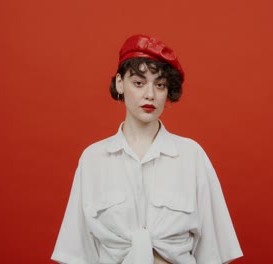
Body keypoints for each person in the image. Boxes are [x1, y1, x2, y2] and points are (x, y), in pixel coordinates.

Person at [51, 34, 243, 264]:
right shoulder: (93, 159)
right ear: (120, 83)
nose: (150, 94)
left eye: (159, 85)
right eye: (139, 83)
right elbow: (74, 253)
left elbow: (215, 251)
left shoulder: (191, 156)